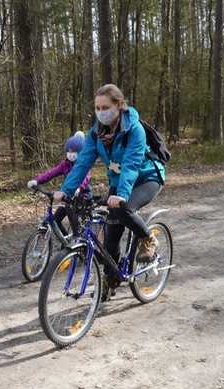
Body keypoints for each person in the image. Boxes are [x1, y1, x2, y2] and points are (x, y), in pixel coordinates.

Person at [54, 84, 166, 299]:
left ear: (119, 105)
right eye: (97, 107)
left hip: (147, 178)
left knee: (125, 210)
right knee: (111, 234)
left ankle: (148, 239)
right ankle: (111, 278)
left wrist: (122, 195)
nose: (100, 112)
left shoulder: (134, 129)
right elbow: (83, 162)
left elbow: (132, 164)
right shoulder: (96, 133)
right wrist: (66, 190)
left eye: (105, 107)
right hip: (119, 180)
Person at [27, 131, 92, 237]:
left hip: (81, 196)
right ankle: (66, 242)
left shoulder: (84, 164)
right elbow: (51, 173)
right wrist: (36, 181)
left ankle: (77, 239)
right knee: (55, 220)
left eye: (74, 151)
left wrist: (78, 189)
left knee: (74, 222)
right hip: (67, 196)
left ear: (80, 152)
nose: (71, 153)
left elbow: (85, 178)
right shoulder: (65, 164)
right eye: (69, 151)